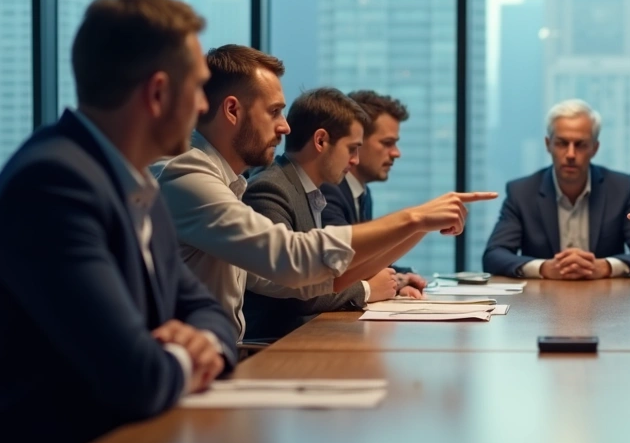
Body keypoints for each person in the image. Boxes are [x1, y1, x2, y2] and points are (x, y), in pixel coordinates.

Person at [0, 0, 237, 443]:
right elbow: (135, 378)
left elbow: (206, 310)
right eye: (196, 87)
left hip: (133, 442)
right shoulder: (52, 186)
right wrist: (187, 354)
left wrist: (206, 341)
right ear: (156, 93)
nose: (201, 106)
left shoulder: (138, 186)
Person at [156, 45, 496, 341]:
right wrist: (413, 218)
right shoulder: (187, 176)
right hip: (200, 369)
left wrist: (416, 227)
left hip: (217, 365)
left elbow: (301, 281)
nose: (285, 126)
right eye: (274, 111)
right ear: (232, 111)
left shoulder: (228, 184)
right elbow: (291, 258)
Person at [240, 88, 408, 342]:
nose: (354, 161)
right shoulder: (271, 188)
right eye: (351, 149)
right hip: (274, 347)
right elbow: (291, 289)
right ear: (320, 141)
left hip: (307, 337)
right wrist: (367, 289)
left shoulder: (306, 189)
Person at [483, 99, 630, 278]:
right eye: (562, 143)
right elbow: (494, 255)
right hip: (542, 300)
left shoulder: (621, 188)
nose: (570, 154)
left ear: (595, 148)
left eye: (580, 145)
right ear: (548, 145)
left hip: (606, 298)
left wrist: (606, 267)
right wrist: (543, 268)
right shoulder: (521, 192)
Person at [319, 90, 427, 295]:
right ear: (357, 141)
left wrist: (401, 277)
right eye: (387, 143)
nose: (396, 153)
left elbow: (367, 260)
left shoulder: (363, 193)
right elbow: (344, 264)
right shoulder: (327, 191)